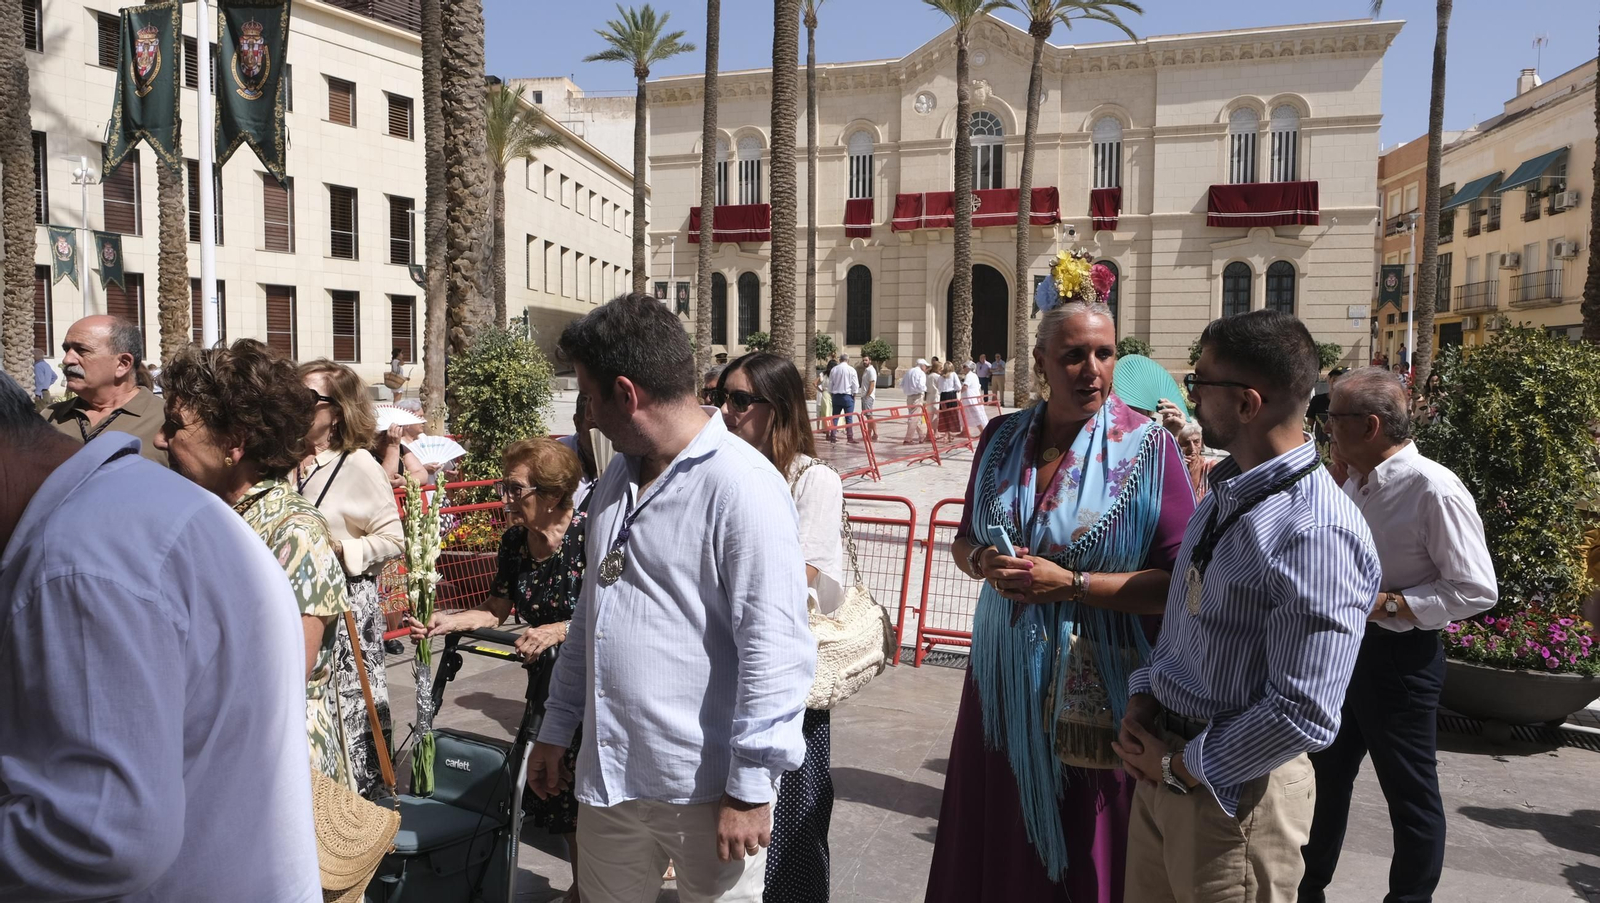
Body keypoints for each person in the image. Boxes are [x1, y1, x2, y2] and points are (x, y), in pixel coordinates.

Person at [526, 293, 814, 902]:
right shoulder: (614, 479)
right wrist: (557, 726)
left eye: (589, 396)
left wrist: (750, 787)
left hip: (707, 795)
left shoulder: (743, 487)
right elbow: (590, 618)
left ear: (627, 394)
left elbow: (776, 648)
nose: (588, 415)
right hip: (611, 782)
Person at [0, 370, 321, 902]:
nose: (161, 438)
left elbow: (104, 835)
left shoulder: (82, 559)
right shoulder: (142, 511)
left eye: (177, 425)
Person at [926, 297, 1196, 903]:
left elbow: (1183, 578)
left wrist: (1073, 584)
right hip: (1001, 677)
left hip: (1096, 680)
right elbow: (966, 536)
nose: (1092, 370)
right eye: (1073, 355)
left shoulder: (1149, 449)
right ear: (1040, 361)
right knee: (999, 829)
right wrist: (980, 560)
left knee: (1088, 842)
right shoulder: (1001, 437)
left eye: (1105, 353)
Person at [1113, 310, 1380, 903]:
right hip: (1171, 771)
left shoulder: (1315, 531)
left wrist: (1182, 767)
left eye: (1199, 384)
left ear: (1247, 403)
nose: (1189, 397)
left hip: (1233, 799)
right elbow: (1194, 626)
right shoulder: (1228, 488)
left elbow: (1305, 711)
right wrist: (1147, 694)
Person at [1300, 369, 1497, 903]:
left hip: (1399, 661)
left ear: (1368, 425)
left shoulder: (1433, 487)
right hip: (1342, 652)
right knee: (1323, 781)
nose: (1324, 429)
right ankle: (1304, 889)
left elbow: (1476, 589)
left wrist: (1386, 603)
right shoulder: (1351, 479)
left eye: (1331, 418)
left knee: (1409, 798)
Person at [155, 339, 354, 788]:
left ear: (235, 443)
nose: (160, 439)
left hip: (270, 781)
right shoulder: (206, 517)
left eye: (175, 426)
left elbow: (277, 682)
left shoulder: (294, 532)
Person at [410, 437, 590, 901]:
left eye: (515, 489)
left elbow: (613, 612)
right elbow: (496, 608)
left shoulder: (591, 535)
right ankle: (584, 886)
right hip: (549, 687)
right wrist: (449, 619)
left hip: (597, 684)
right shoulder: (515, 542)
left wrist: (557, 628)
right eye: (505, 487)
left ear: (551, 494)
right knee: (557, 790)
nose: (506, 499)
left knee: (591, 786)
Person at [714, 352, 845, 903]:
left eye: (741, 400)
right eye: (722, 396)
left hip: (786, 678)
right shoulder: (719, 468)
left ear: (780, 408)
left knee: (791, 825)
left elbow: (803, 575)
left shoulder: (812, 480)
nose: (726, 410)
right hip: (725, 674)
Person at [298, 359, 405, 799]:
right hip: (297, 606)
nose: (293, 405)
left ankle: (361, 813)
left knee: (350, 708)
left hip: (345, 606)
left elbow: (394, 539)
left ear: (336, 411)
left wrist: (345, 551)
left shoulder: (358, 463)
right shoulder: (284, 461)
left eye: (306, 399)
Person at [42, 315, 168, 465]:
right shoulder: (50, 416)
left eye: (81, 350)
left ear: (123, 364)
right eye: (66, 349)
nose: (67, 360)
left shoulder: (167, 419)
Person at [557, 393, 601, 509]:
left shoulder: (627, 460)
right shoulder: (556, 454)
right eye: (596, 429)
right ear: (577, 423)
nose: (605, 437)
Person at [1177, 422, 1217, 503]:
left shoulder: (1210, 467)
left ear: (1201, 443)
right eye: (1186, 443)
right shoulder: (1175, 467)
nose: (1192, 448)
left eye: (1196, 442)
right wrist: (1178, 469)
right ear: (1178, 444)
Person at [827, 351, 860, 443]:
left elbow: (830, 384)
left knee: (835, 417)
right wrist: (854, 395)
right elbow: (855, 385)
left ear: (840, 360)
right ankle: (850, 437)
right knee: (849, 418)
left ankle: (833, 436)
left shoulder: (834, 369)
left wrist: (832, 394)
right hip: (847, 396)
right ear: (847, 360)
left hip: (836, 396)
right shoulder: (851, 370)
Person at [900, 358, 930, 444]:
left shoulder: (909, 371)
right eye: (926, 366)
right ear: (922, 366)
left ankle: (921, 436)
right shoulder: (921, 373)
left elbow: (901, 384)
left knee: (915, 417)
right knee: (914, 418)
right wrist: (925, 390)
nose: (926, 368)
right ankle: (908, 438)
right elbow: (921, 386)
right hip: (917, 396)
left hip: (909, 396)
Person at [959, 360, 989, 437]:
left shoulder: (969, 376)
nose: (963, 368)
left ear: (968, 368)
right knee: (965, 414)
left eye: (964, 367)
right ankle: (964, 431)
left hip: (969, 399)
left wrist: (959, 393)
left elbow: (965, 387)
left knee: (975, 415)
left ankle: (982, 432)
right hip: (972, 398)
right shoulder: (974, 375)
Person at [936, 362, 962, 438]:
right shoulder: (953, 374)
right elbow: (958, 386)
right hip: (951, 395)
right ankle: (949, 433)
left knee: (944, 414)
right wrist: (956, 390)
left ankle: (947, 433)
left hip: (943, 396)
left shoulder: (940, 376)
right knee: (952, 413)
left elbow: (939, 387)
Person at [859, 355, 878, 442]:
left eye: (866, 360)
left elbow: (872, 383)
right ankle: (871, 434)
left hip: (868, 396)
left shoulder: (871, 371)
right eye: (863, 360)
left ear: (870, 361)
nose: (864, 362)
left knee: (869, 416)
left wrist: (867, 395)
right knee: (868, 416)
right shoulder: (866, 370)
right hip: (864, 396)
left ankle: (874, 433)